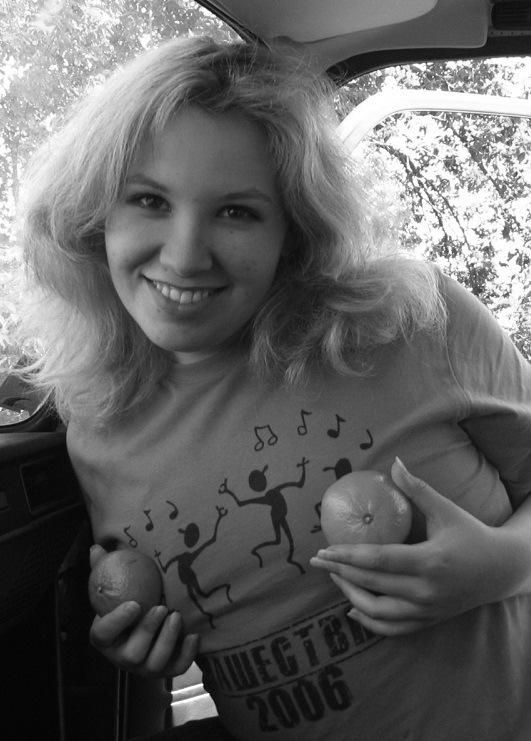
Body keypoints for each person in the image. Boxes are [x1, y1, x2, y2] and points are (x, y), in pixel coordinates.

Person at [20, 36, 531, 741]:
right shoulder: (97, 425)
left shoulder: (416, 321)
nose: (184, 256)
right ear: (94, 215)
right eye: (148, 199)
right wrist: (135, 651)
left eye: (236, 211)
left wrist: (502, 566)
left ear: (293, 229)